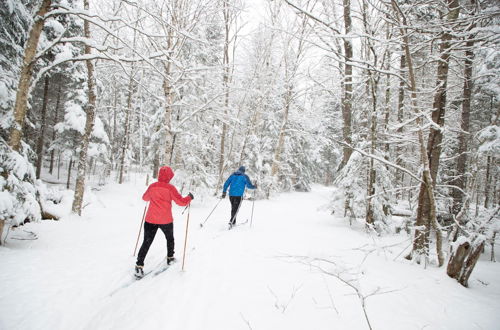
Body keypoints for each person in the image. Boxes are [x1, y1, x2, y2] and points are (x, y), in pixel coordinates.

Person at [135, 166, 193, 278]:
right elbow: (181, 202)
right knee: (170, 238)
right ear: (169, 176)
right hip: (165, 220)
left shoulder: (153, 186)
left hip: (150, 219)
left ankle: (139, 265)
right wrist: (189, 197)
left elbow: (145, 198)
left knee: (147, 242)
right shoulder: (170, 188)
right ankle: (170, 258)